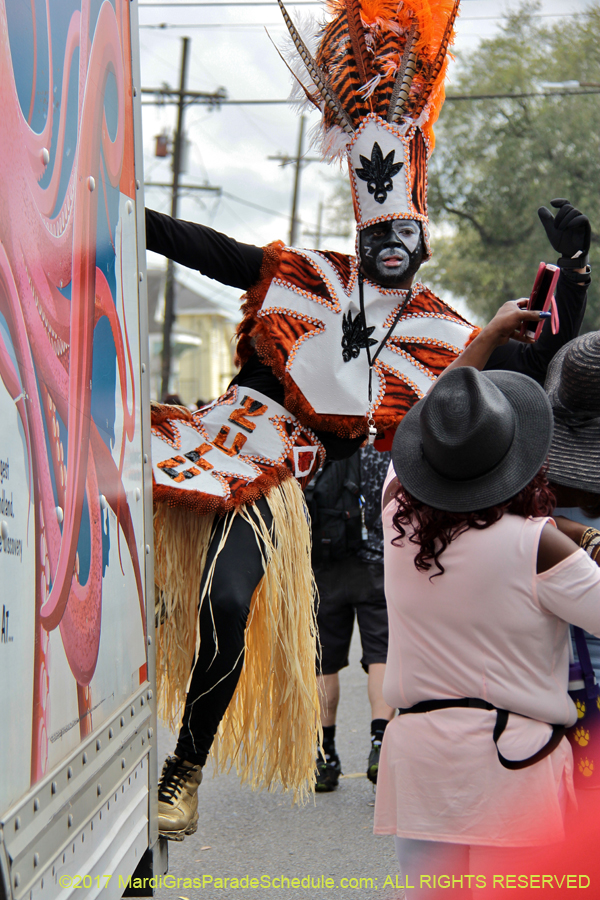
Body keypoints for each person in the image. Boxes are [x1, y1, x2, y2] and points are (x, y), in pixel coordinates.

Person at [148, 0, 590, 841]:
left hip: (277, 487)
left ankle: (185, 766)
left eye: (406, 230)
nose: (393, 239)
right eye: (379, 226)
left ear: (423, 239)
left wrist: (572, 273)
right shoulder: (304, 274)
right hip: (205, 442)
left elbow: (530, 365)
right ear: (361, 225)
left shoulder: (435, 331)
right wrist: (121, 208)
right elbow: (199, 245)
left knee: (230, 604)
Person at [374, 365, 600, 898]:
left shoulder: (397, 525)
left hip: (422, 763)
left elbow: (436, 419)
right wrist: (584, 536)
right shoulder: (539, 547)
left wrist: (484, 342)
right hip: (514, 768)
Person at [307, 445, 394, 791]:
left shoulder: (323, 447)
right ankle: (379, 745)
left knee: (323, 663)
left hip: (326, 567)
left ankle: (325, 755)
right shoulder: (383, 451)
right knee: (381, 655)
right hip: (377, 567)